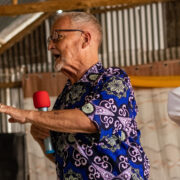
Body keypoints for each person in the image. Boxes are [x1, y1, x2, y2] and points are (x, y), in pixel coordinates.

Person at [0, 12, 150, 179]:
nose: (50, 46)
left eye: (57, 37)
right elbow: (69, 159)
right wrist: (42, 140)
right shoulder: (66, 96)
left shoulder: (112, 79)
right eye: (49, 39)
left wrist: (28, 114)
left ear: (85, 39)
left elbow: (90, 120)